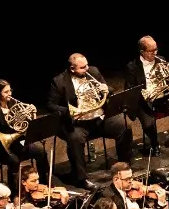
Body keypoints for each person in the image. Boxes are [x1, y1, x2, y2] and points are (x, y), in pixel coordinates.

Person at [47, 53, 134, 188]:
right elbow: (50, 105)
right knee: (75, 139)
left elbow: (108, 90)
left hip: (99, 118)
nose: (86, 69)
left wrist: (107, 89)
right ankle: (82, 179)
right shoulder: (59, 81)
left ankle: (124, 167)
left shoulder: (93, 71)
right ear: (72, 69)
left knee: (124, 126)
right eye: (82, 67)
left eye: (87, 65)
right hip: (78, 123)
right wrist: (69, 111)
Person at [0, 79, 50, 183]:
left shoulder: (13, 104)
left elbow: (27, 123)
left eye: (10, 90)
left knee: (40, 151)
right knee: (14, 160)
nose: (10, 94)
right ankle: (15, 189)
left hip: (17, 142)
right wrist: (6, 139)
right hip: (0, 147)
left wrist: (32, 114)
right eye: (6, 92)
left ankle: (44, 182)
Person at [125, 36, 169, 156]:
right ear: (142, 52)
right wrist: (145, 93)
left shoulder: (161, 60)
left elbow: (168, 81)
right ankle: (155, 144)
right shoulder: (132, 67)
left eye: (156, 49)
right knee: (148, 124)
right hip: (144, 101)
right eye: (151, 51)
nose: (155, 53)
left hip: (162, 96)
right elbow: (130, 89)